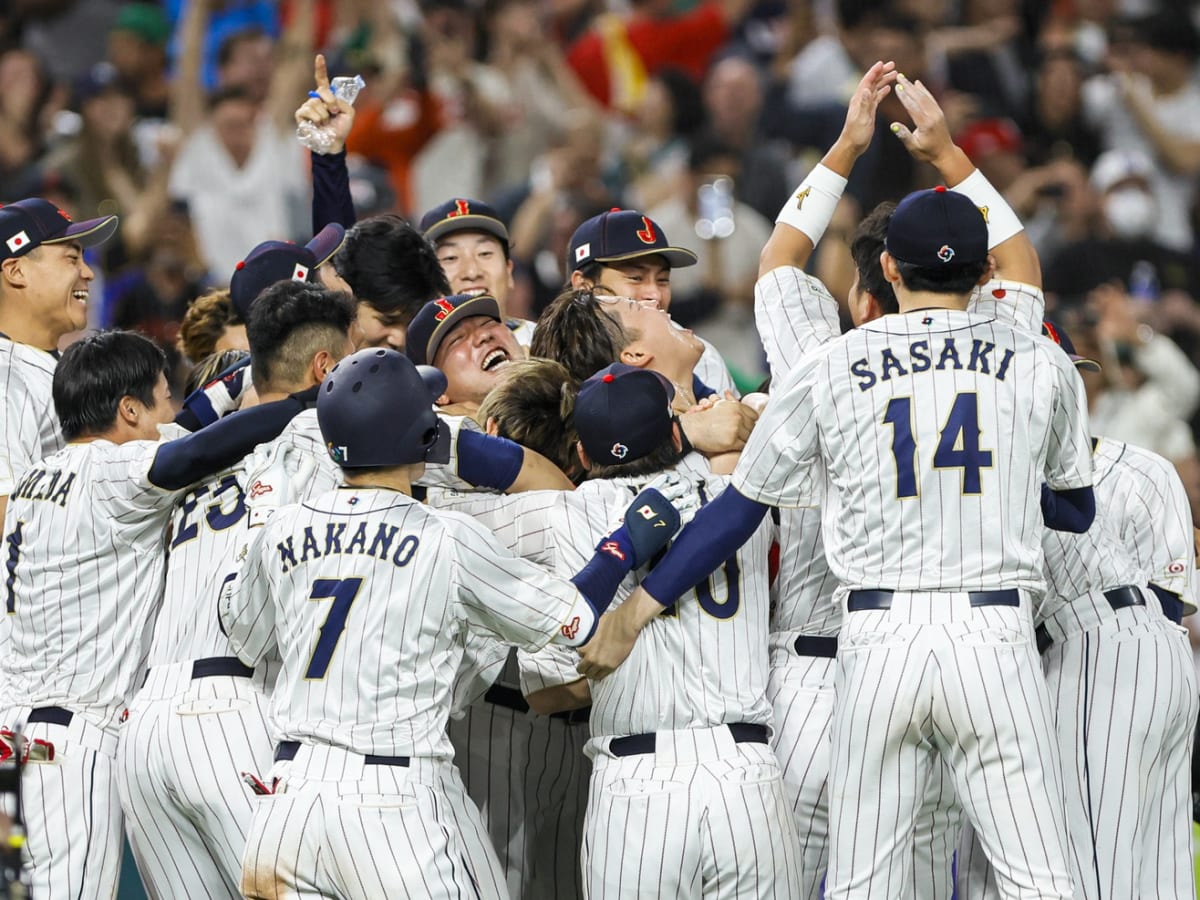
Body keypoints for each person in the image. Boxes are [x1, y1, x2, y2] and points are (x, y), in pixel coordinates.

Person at [582, 172, 1097, 899]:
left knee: (863, 880)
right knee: (1038, 876)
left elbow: (737, 510)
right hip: (994, 636)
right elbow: (1076, 511)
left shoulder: (834, 362)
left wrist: (637, 610)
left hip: (876, 642)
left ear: (887, 268)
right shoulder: (1038, 358)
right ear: (983, 274)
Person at [222, 347, 682, 898]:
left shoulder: (282, 527)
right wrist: (622, 546)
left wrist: (256, 530)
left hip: (286, 805)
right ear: (422, 438)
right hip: (390, 805)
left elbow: (244, 637)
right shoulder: (445, 536)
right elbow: (575, 620)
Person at [0, 330, 318, 899]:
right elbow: (196, 449)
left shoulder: (31, 478)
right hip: (70, 749)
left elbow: (193, 425)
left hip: (14, 736)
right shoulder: (115, 474)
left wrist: (247, 375)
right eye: (162, 398)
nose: (171, 411)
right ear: (128, 409)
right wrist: (306, 402)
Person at [116, 285, 357, 899]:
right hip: (234, 708)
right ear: (324, 370)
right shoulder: (317, 442)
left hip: (144, 729)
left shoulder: (190, 457)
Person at [0, 198, 118, 527]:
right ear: (16, 271)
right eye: (71, 258)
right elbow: (4, 512)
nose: (88, 272)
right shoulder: (5, 378)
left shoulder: (52, 366)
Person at [566, 207, 738, 396]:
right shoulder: (546, 356)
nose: (655, 294)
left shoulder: (700, 358)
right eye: (636, 278)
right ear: (584, 286)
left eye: (663, 279)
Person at [420, 197, 536, 346]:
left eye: (485, 253)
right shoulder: (412, 363)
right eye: (450, 257)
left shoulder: (547, 347)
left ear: (508, 272)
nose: (472, 272)